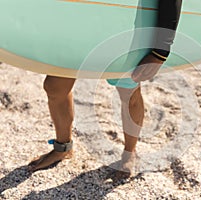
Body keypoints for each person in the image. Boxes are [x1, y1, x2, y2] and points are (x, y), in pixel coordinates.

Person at [28, 0, 183, 175]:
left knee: (128, 92)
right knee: (55, 87)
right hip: (78, 24)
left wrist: (161, 51)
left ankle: (129, 153)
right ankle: (63, 148)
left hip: (125, 29)